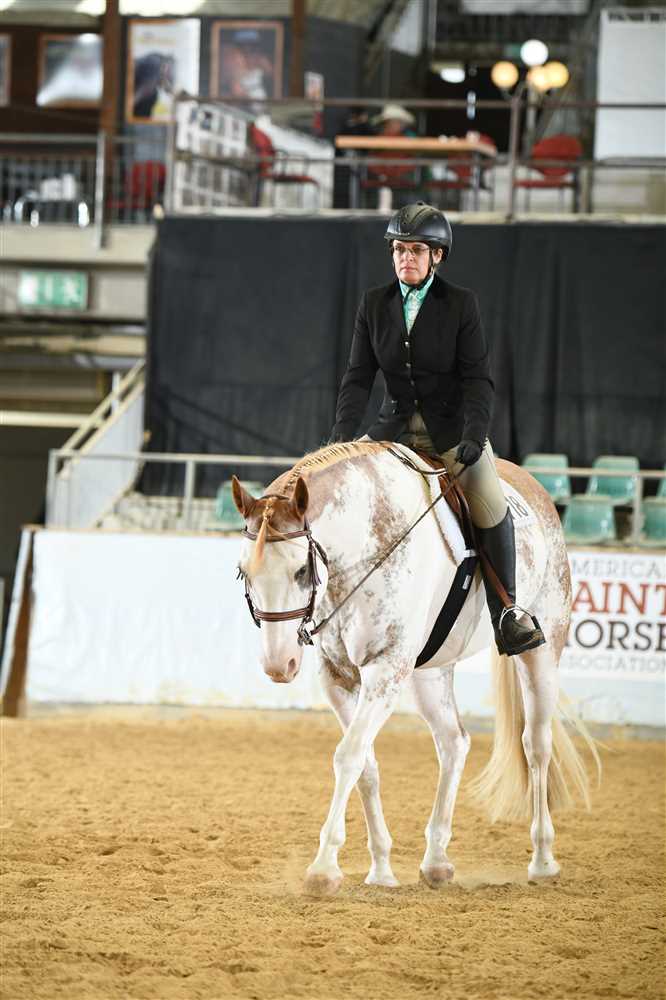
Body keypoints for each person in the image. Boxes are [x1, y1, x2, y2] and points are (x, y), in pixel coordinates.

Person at [329, 201, 545, 657]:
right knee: (339, 489)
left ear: (437, 256)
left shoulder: (460, 304)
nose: (405, 257)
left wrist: (474, 434)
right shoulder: (374, 304)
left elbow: (478, 379)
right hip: (391, 431)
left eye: (416, 250)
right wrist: (342, 439)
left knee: (490, 505)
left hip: (451, 434)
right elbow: (358, 377)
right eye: (399, 249)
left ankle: (507, 612)